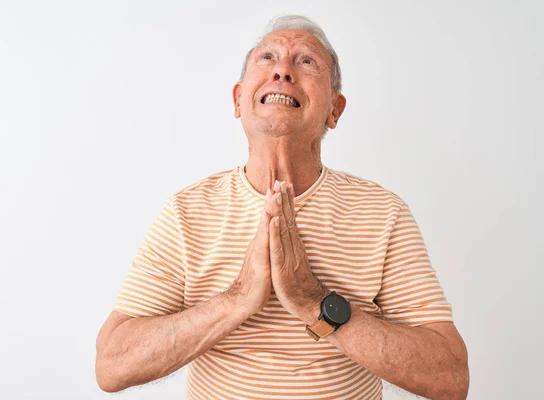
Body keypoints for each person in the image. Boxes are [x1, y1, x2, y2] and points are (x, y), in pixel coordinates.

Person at [95, 15, 469, 400]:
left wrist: (313, 300)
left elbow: (450, 375)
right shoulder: (186, 212)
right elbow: (112, 364)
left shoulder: (382, 213)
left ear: (335, 110)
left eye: (306, 61)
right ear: (238, 99)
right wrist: (237, 298)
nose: (283, 71)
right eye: (267, 58)